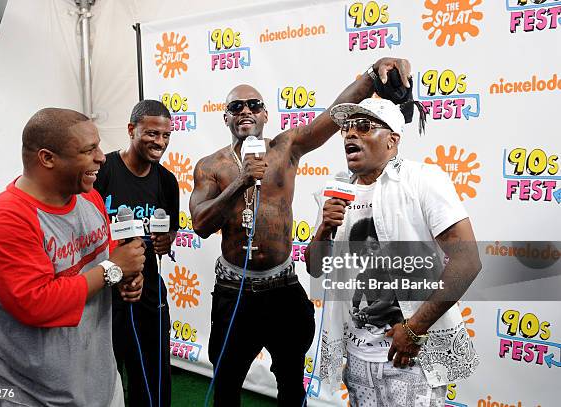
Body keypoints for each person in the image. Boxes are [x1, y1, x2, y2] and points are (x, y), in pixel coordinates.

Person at [189, 57, 412, 406]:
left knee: (291, 382)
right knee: (227, 385)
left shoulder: (286, 148)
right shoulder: (210, 166)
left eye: (254, 105)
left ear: (265, 115)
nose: (245, 110)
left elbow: (330, 117)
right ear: (227, 117)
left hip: (282, 290)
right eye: (236, 106)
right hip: (235, 292)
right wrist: (242, 181)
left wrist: (371, 75)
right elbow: (200, 224)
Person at [305, 98, 481, 407]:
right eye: (347, 128)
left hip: (411, 356)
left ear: (392, 140)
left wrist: (413, 330)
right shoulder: (333, 189)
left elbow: (467, 261)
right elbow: (315, 268)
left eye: (364, 127)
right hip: (357, 356)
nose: (350, 135)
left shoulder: (423, 180)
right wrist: (324, 230)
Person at [0, 108, 146, 407]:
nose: (102, 157)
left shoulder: (88, 196)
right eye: (89, 150)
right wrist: (113, 269)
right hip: (33, 396)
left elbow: (106, 254)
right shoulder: (4, 220)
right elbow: (37, 303)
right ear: (47, 158)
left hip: (100, 384)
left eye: (98, 146)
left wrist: (125, 277)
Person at [94, 99, 179, 407]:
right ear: (131, 130)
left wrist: (165, 242)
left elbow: (171, 231)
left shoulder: (167, 181)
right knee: (107, 375)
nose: (160, 142)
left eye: (166, 135)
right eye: (152, 134)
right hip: (105, 293)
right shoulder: (103, 171)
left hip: (150, 294)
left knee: (154, 377)